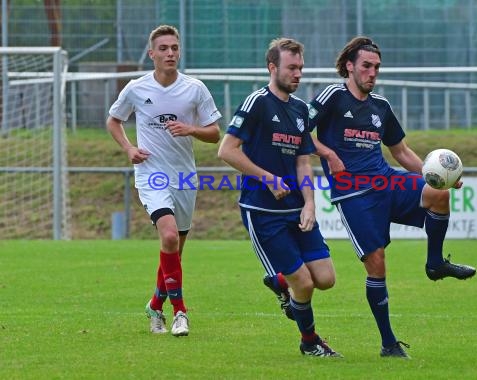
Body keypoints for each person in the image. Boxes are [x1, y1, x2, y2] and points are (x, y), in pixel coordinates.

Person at [307, 36, 477, 359]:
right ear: (350, 66)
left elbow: (400, 150)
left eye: (377, 68)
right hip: (354, 194)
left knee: (438, 195)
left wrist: (438, 174)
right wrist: (327, 153)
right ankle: (388, 344)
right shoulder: (332, 96)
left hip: (386, 182)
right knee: (377, 264)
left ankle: (435, 263)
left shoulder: (380, 107)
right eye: (367, 67)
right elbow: (299, 128)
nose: (372, 73)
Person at [218, 37, 341, 357]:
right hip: (262, 211)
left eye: (301, 67)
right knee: (305, 283)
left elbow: (303, 161)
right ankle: (309, 342)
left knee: (325, 279)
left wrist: (311, 203)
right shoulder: (257, 102)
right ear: (272, 68)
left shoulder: (301, 110)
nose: (298, 74)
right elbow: (226, 150)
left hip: (296, 209)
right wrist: (268, 178)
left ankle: (280, 282)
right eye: (291, 68)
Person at [106, 25, 222, 336]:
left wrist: (191, 129)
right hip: (152, 175)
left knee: (175, 250)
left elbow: (215, 134)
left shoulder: (194, 88)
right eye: (164, 48)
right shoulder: (136, 88)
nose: (170, 53)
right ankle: (180, 312)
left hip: (184, 177)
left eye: (174, 47)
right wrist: (129, 147)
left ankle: (155, 305)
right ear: (152, 53)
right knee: (169, 237)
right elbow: (113, 120)